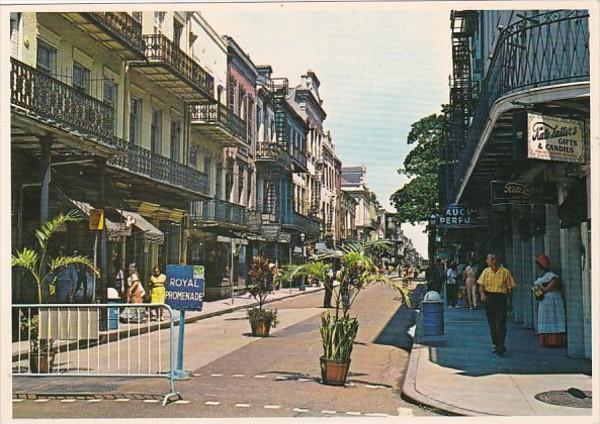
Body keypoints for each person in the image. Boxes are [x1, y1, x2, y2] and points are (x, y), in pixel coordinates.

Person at [478, 253, 516, 356]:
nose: (487, 261)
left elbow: (510, 288)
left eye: (488, 259)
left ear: (494, 260)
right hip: (490, 297)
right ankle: (495, 343)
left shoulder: (505, 272)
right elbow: (481, 285)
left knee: (502, 322)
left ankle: (501, 344)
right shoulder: (486, 272)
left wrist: (510, 301)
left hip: (501, 298)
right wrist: (482, 294)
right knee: (492, 323)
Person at [533, 254, 566, 347]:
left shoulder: (552, 275)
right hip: (544, 301)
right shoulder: (541, 276)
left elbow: (551, 286)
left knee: (553, 317)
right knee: (545, 318)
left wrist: (540, 289)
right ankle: (546, 340)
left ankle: (556, 340)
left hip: (552, 299)